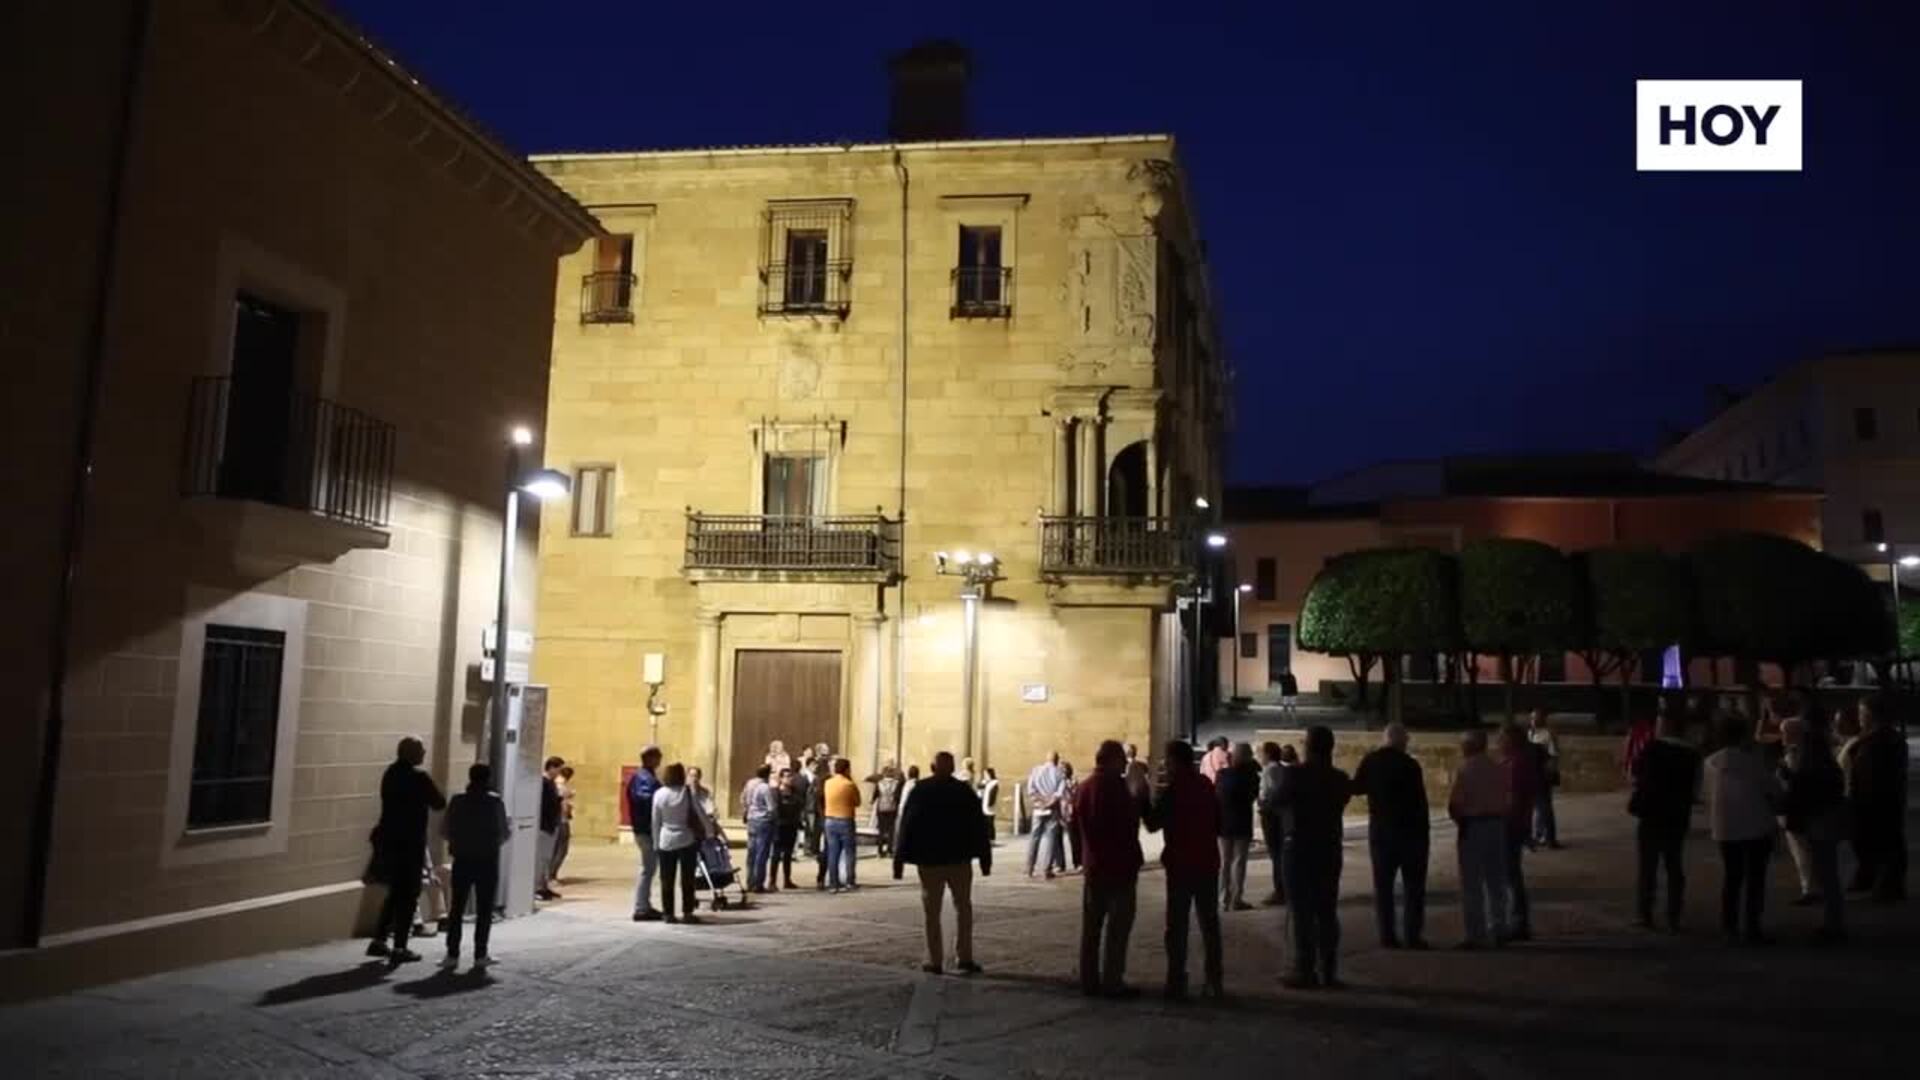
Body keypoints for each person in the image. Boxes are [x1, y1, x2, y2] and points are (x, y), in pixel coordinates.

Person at [893, 751, 992, 975]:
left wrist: (899, 859)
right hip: (959, 859)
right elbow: (979, 826)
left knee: (931, 911)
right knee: (963, 908)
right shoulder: (963, 791)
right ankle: (964, 956)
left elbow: (907, 825)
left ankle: (934, 960)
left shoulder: (921, 790)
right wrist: (985, 858)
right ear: (952, 767)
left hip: (930, 861)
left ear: (932, 767)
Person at [1271, 725, 1352, 988]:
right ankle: (1329, 970)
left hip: (1299, 845)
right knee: (1326, 910)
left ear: (1308, 746)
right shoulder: (1339, 778)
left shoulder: (1294, 775)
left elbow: (1275, 800)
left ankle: (1302, 969)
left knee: (1300, 910)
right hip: (1328, 846)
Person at [1146, 739, 1224, 1000]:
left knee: (1177, 926)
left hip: (1181, 865)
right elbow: (1219, 822)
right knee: (1209, 924)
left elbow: (1153, 823)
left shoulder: (1173, 791)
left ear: (1174, 761)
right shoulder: (1205, 786)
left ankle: (1176, 980)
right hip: (1207, 863)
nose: (1165, 765)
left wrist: (1141, 797)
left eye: (1167, 760)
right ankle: (1214, 981)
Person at [1704, 712, 1783, 945]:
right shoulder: (1752, 762)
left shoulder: (1710, 763)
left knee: (1732, 878)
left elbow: (1704, 794)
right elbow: (1774, 790)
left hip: (1725, 828)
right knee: (1755, 880)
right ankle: (1752, 926)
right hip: (1756, 827)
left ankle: (1729, 926)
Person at [1074, 739, 1144, 998]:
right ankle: (1112, 980)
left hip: (1094, 865)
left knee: (1091, 927)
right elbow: (1127, 824)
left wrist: (1080, 857)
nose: (1125, 764)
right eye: (1122, 760)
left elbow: (1074, 825)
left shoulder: (1083, 788)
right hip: (1119, 866)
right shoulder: (1116, 787)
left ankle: (1088, 979)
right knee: (1118, 927)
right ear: (1113, 760)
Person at [367, 737, 447, 965]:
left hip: (389, 841)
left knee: (394, 893)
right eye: (421, 750)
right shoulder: (418, 777)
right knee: (409, 895)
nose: (424, 753)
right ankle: (400, 946)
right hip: (410, 842)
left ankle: (379, 940)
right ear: (412, 753)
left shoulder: (390, 774)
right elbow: (439, 802)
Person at [1352, 722, 1429, 949]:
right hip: (1410, 832)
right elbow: (1419, 802)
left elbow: (1357, 787)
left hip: (1381, 832)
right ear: (1402, 741)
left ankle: (1387, 935)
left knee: (1383, 887)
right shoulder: (1410, 765)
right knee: (1413, 887)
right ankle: (1412, 935)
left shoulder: (1371, 761)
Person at [1629, 707, 1701, 932]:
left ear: (1665, 726)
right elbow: (1696, 789)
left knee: (1648, 867)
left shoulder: (1652, 748)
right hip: (1676, 814)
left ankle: (1645, 914)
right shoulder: (1692, 754)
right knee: (1674, 866)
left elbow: (1635, 773)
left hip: (1651, 813)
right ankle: (1673, 915)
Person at [1782, 710, 1848, 943]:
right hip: (1827, 821)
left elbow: (1798, 796)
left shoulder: (1809, 769)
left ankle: (1833, 925)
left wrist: (1789, 781)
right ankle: (1833, 922)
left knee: (1827, 875)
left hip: (1817, 822)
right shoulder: (1829, 767)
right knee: (1828, 874)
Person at [441, 762, 511, 970]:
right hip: (487, 860)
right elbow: (503, 832)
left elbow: (445, 829)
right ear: (488, 779)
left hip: (462, 859)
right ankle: (480, 953)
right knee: (484, 909)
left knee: (457, 908)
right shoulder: (494, 802)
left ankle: (452, 953)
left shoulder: (457, 801)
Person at [1448, 729, 1510, 950]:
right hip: (1496, 825)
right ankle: (1500, 927)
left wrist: (1460, 822)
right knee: (1496, 880)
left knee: (1472, 883)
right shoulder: (1498, 767)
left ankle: (1476, 933)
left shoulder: (1464, 769)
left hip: (1473, 826)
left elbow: (1455, 803)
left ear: (1469, 746)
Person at [1848, 695, 1909, 901]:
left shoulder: (1881, 740)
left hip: (1878, 801)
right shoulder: (1879, 738)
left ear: (1871, 715)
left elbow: (1877, 775)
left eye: (1861, 713)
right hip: (1877, 800)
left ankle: (1889, 887)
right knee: (1877, 842)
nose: (1859, 718)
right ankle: (1878, 881)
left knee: (1885, 844)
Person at [1498, 724, 1541, 941]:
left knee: (1511, 875)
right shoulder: (1518, 762)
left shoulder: (1516, 764)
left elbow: (1513, 798)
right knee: (1511, 874)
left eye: (1502, 739)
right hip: (1515, 824)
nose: (1498, 743)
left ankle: (1518, 921)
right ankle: (1518, 920)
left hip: (1510, 825)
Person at [651, 763, 706, 924]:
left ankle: (668, 913)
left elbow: (655, 821)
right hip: (686, 839)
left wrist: (655, 843)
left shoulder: (659, 794)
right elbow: (699, 813)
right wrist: (708, 832)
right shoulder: (687, 792)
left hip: (666, 840)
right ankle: (687, 912)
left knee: (667, 879)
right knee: (687, 879)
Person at [1214, 742, 1259, 911]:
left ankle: (1222, 899)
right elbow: (1253, 796)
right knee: (1239, 862)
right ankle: (1236, 899)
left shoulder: (1222, 774)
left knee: (1224, 862)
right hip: (1242, 822)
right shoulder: (1251, 776)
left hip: (1223, 823)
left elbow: (1217, 795)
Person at [627, 746, 663, 921]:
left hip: (645, 828)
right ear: (650, 758)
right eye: (658, 757)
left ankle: (644, 905)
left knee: (649, 868)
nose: (660, 761)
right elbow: (647, 802)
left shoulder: (645, 777)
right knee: (647, 869)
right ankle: (641, 907)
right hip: (646, 829)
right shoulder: (644, 778)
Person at [1255, 741, 1289, 906]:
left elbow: (1273, 793)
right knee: (1278, 854)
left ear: (1268, 754)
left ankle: (1280, 891)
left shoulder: (1271, 770)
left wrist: (1262, 802)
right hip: (1277, 815)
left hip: (1271, 815)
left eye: (1262, 753)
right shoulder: (1281, 769)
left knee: (1276, 854)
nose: (1260, 756)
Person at [1025, 752, 1067, 879]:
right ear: (1057, 760)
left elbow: (1031, 790)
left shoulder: (1036, 770)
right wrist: (1049, 802)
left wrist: (1041, 801)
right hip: (1052, 809)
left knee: (1034, 837)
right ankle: (1046, 869)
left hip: (1038, 808)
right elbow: (1059, 793)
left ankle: (1029, 868)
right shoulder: (1059, 773)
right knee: (1051, 839)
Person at [822, 756, 861, 892]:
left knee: (833, 852)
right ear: (847, 769)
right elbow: (857, 802)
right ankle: (850, 881)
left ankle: (833, 883)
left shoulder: (828, 783)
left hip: (829, 819)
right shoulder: (849, 784)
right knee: (849, 852)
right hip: (845, 819)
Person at [1528, 708, 1563, 849]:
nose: (1533, 721)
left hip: (1542, 775)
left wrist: (1549, 774)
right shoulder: (1530, 733)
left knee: (1544, 807)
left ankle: (1548, 838)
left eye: (1536, 718)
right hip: (1533, 774)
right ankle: (1540, 835)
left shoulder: (1548, 735)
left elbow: (1553, 757)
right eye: (1532, 718)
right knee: (1539, 808)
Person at [741, 764, 778, 893]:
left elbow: (743, 799)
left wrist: (747, 810)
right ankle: (758, 883)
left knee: (751, 852)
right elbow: (771, 807)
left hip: (751, 819)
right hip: (763, 821)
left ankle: (750, 881)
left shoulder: (750, 783)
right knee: (761, 853)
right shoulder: (765, 788)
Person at [536, 756, 565, 901]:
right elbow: (547, 804)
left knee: (548, 858)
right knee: (542, 858)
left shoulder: (551, 783)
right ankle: (538, 887)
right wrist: (561, 797)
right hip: (544, 825)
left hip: (552, 824)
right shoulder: (544, 783)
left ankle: (544, 885)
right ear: (551, 767)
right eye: (558, 769)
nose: (559, 772)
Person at [773, 766, 804, 890]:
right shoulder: (776, 793)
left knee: (788, 854)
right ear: (780, 778)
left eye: (790, 776)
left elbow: (800, 805)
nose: (789, 779)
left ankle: (787, 880)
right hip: (779, 826)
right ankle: (772, 880)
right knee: (776, 854)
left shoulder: (795, 793)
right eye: (786, 776)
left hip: (791, 826)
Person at [868, 759, 904, 859]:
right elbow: (898, 797)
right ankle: (889, 850)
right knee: (891, 830)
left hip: (881, 808)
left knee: (881, 830)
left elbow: (875, 795)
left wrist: (872, 801)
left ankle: (879, 851)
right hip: (892, 808)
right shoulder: (896, 783)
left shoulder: (879, 783)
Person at [549, 765, 576, 885]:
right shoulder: (561, 785)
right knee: (561, 849)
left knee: (556, 848)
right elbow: (563, 804)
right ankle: (551, 875)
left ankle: (551, 874)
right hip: (561, 820)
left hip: (557, 820)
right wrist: (567, 812)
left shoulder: (556, 784)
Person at [1059, 761, 1084, 870]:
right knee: (1057, 840)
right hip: (1060, 811)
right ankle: (1059, 864)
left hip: (1072, 812)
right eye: (1061, 770)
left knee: (1074, 838)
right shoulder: (1057, 782)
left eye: (1065, 769)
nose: (1063, 772)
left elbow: (1077, 794)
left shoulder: (1074, 782)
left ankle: (1078, 862)